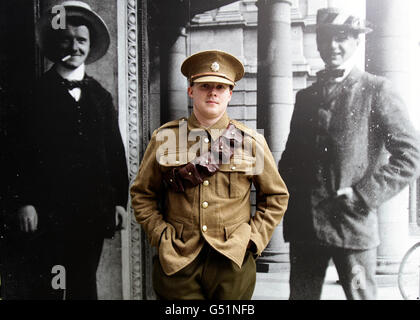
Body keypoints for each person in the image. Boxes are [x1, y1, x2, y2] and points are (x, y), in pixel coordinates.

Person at [279, 7, 420, 300]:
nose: (332, 46)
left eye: (341, 37)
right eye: (325, 38)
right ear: (317, 42)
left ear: (356, 41)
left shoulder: (377, 90)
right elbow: (289, 161)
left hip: (351, 225)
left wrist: (363, 195)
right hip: (305, 228)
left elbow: (410, 156)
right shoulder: (304, 98)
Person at [130, 50, 289, 300]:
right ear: (191, 90)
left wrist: (253, 239)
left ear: (230, 94)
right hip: (178, 260)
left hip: (231, 262)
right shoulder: (165, 138)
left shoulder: (250, 141)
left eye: (221, 87)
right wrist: (160, 234)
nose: (212, 92)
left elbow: (276, 196)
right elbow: (142, 194)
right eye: (205, 86)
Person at [9, 1, 128, 300]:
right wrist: (24, 201)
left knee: (84, 285)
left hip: (91, 211)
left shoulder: (101, 97)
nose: (74, 47)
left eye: (81, 40)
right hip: (46, 213)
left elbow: (114, 152)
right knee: (49, 287)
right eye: (67, 40)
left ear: (89, 46)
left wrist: (119, 202)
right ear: (54, 44)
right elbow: (16, 152)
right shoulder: (34, 94)